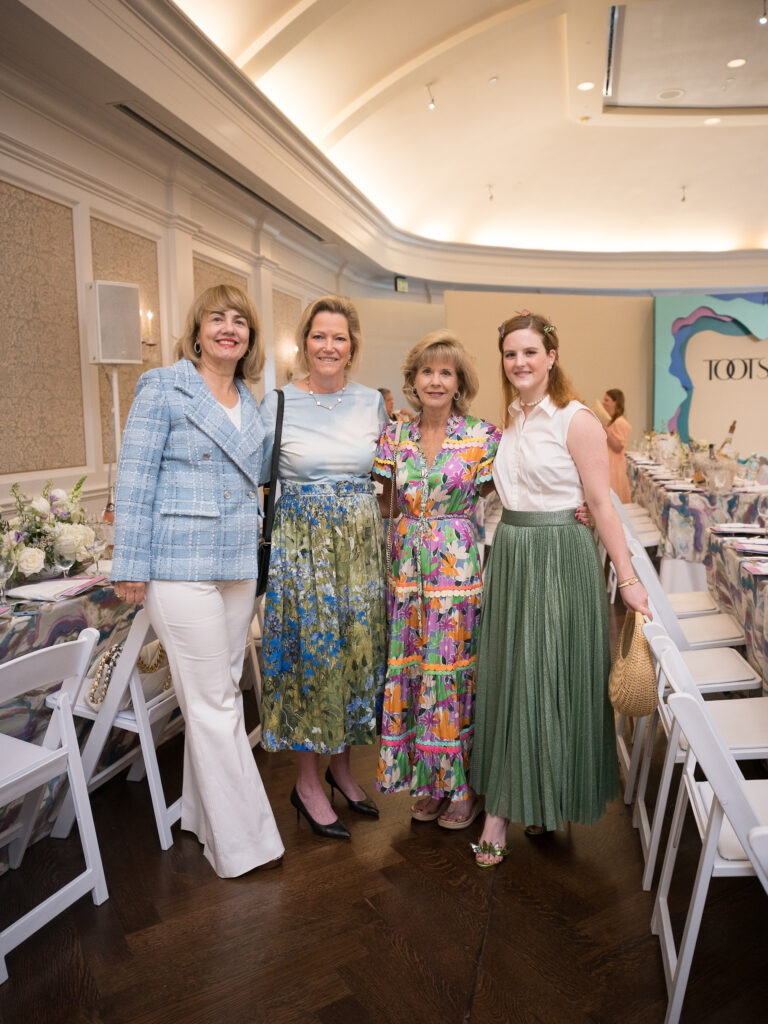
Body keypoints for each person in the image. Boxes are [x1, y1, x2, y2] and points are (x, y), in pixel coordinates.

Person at [111, 284, 284, 878]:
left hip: (236, 564)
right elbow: (134, 478)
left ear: (250, 337)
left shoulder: (252, 399)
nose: (228, 329)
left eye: (240, 321)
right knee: (212, 702)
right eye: (218, 318)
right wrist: (130, 564)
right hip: (178, 563)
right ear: (198, 328)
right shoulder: (163, 385)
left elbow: (261, 478)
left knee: (220, 693)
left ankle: (201, 818)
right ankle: (245, 843)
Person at [470, 312, 650, 867]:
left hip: (560, 560)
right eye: (510, 354)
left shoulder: (576, 419)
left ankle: (514, 808)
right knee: (512, 676)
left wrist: (629, 578)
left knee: (547, 675)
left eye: (530, 352)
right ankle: (517, 801)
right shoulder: (511, 421)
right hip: (514, 557)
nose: (519, 362)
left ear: (551, 357)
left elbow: (600, 502)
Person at [259, 295, 389, 840]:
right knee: (311, 662)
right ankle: (307, 783)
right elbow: (251, 475)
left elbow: (396, 474)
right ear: (304, 343)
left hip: (360, 552)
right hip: (303, 552)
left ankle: (342, 769)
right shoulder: (279, 402)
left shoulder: (372, 403)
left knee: (358, 658)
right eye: (319, 336)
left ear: (352, 346)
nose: (329, 346)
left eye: (339, 337)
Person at [374, 330, 501, 828]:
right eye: (427, 371)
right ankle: (428, 782)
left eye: (445, 371)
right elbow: (383, 503)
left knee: (451, 677)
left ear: (459, 382)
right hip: (406, 573)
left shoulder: (482, 437)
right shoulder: (394, 437)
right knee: (414, 673)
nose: (435, 380)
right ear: (412, 379)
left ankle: (461, 788)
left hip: (456, 572)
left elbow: (513, 492)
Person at [602, 388, 632, 502]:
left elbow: (618, 447)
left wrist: (605, 431)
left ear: (615, 402)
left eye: (607, 400)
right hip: (609, 465)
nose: (603, 403)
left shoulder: (620, 422)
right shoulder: (612, 421)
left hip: (615, 467)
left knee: (614, 501)